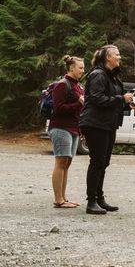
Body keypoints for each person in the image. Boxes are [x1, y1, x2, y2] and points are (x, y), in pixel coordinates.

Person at [79, 44, 134, 215]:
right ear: (107, 57)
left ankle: (99, 198)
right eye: (117, 54)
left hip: (108, 123)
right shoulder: (98, 74)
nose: (119, 57)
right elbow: (96, 99)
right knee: (97, 161)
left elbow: (113, 102)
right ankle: (91, 202)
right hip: (95, 123)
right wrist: (121, 99)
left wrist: (128, 105)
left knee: (104, 162)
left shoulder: (114, 77)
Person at [48, 55, 85, 209]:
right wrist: (78, 103)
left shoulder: (78, 86)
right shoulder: (62, 85)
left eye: (83, 68)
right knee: (61, 161)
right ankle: (58, 199)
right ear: (71, 68)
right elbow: (58, 109)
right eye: (80, 68)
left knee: (67, 163)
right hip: (60, 127)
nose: (83, 71)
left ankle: (63, 197)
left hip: (73, 128)